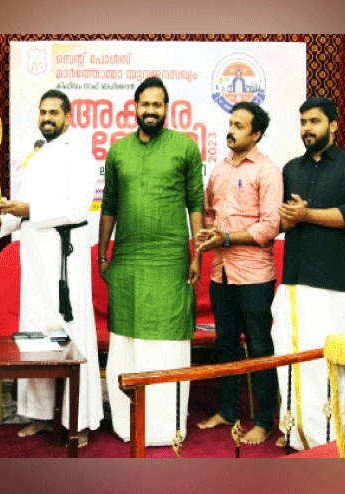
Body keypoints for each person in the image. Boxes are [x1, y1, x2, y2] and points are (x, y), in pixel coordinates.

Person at [0, 89, 103, 446]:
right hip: (35, 259)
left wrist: (26, 210)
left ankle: (77, 421)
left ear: (68, 117)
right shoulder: (36, 159)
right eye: (42, 112)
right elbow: (24, 210)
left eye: (54, 112)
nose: (47, 118)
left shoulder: (81, 155)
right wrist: (1, 219)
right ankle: (41, 415)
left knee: (71, 336)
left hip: (64, 259)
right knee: (37, 334)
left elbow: (76, 209)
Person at [98, 77, 204, 446]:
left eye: (157, 105)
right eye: (145, 104)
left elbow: (196, 204)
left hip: (170, 258)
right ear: (135, 106)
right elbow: (109, 205)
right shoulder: (118, 151)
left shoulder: (185, 147)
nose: (151, 111)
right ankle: (129, 426)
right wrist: (102, 252)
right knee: (126, 342)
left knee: (167, 342)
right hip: (127, 260)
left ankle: (164, 428)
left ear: (166, 108)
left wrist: (197, 254)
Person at [272, 96, 345, 449]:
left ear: (333, 125)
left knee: (329, 362)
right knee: (291, 358)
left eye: (314, 121)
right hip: (293, 280)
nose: (307, 129)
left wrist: (306, 215)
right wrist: (288, 219)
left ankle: (335, 440)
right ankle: (296, 434)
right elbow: (282, 220)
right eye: (303, 122)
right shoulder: (291, 169)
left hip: (331, 282)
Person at [194, 102, 283, 444]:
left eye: (240, 126)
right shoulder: (218, 170)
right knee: (226, 344)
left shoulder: (267, 171)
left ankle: (263, 421)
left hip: (255, 276)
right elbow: (209, 213)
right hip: (221, 274)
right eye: (231, 123)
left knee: (260, 346)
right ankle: (228, 411)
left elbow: (270, 226)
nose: (231, 130)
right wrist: (209, 231)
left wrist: (227, 238)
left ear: (256, 134)